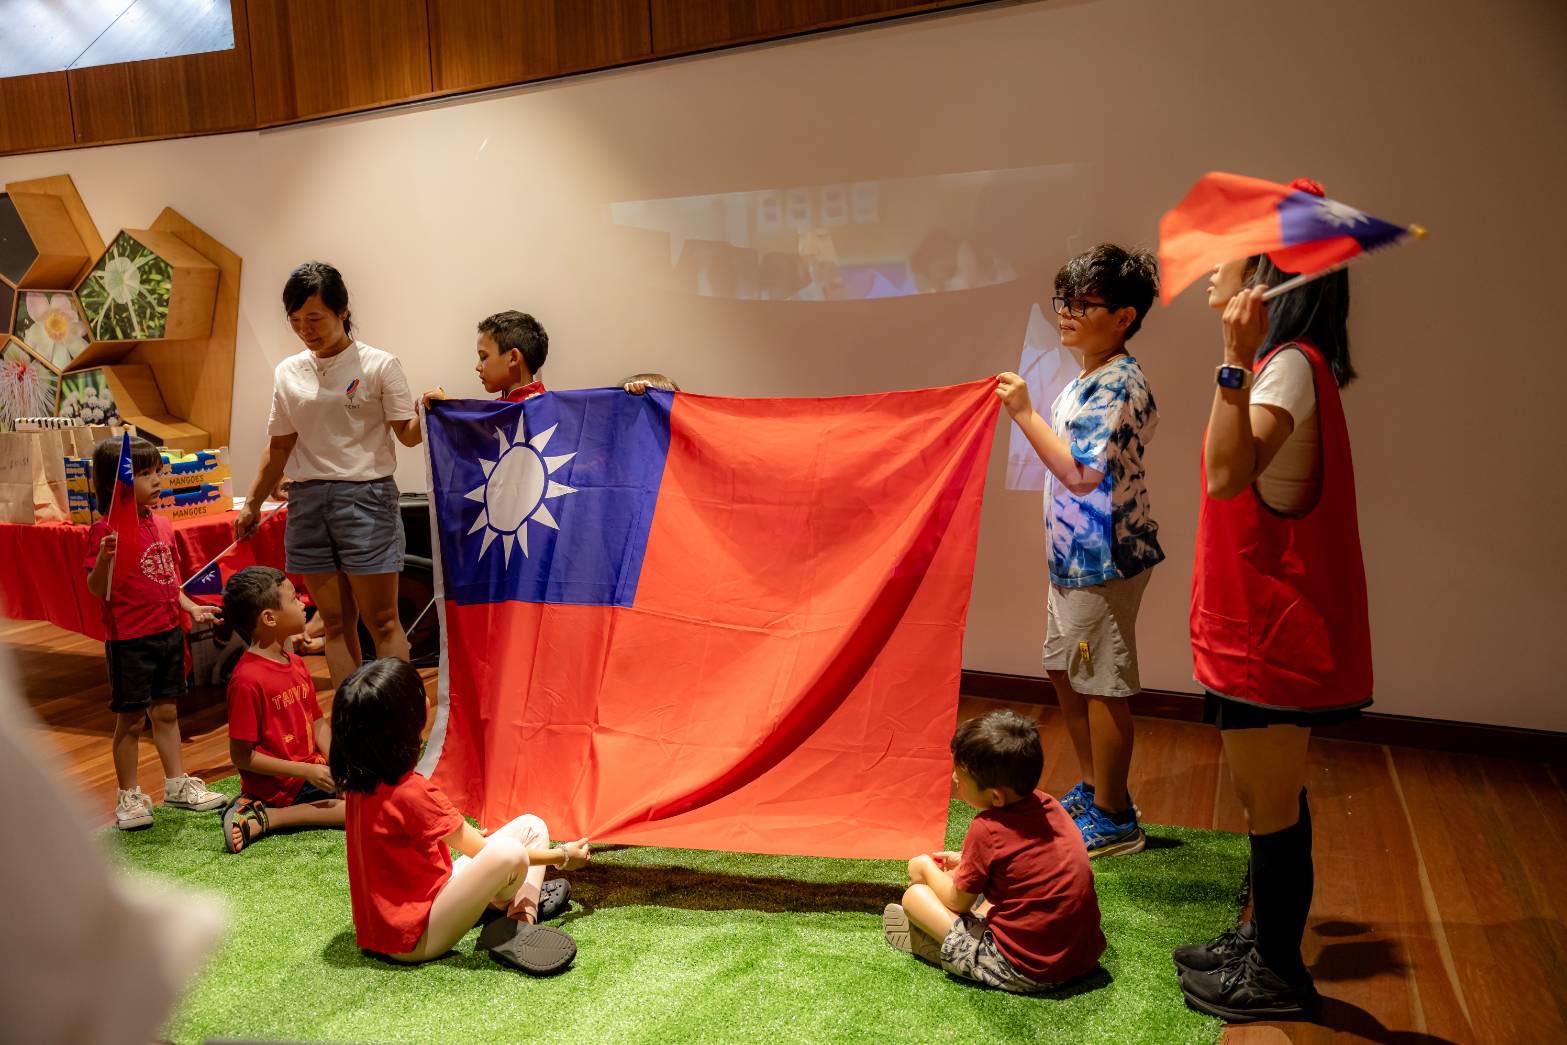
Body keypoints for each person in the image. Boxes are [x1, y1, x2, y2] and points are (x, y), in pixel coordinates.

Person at [1175, 180, 1373, 1023]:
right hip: (1253, 630)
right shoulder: (1281, 367)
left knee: (1270, 803)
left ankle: (1279, 973)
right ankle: (1259, 937)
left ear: (1266, 271)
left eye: (1227, 249)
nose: (1212, 267)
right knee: (1266, 798)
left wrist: (1229, 358)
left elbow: (1226, 476)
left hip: (1272, 638)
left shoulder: (1282, 368)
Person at [994, 243, 1164, 857]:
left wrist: (1023, 413)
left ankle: (1116, 816)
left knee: (1102, 681)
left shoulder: (1119, 384)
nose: (1066, 313)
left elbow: (1082, 474)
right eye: (1064, 301)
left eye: (1083, 303)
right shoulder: (1090, 377)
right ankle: (1097, 790)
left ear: (1124, 316)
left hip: (1104, 557)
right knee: (1067, 670)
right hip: (1073, 555)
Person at [331, 658, 590, 972]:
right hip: (416, 938)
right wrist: (561, 856)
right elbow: (489, 854)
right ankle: (521, 916)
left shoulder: (359, 782)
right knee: (510, 852)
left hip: (396, 924)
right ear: (411, 720)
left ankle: (513, 909)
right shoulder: (411, 791)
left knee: (531, 826)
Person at [236, 262, 418, 688]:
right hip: (307, 502)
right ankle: (354, 720)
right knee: (333, 625)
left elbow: (407, 435)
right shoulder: (288, 372)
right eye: (296, 321)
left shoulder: (378, 365)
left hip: (367, 499)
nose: (306, 330)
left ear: (342, 311)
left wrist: (431, 413)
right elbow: (279, 444)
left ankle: (401, 715)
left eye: (315, 318)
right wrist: (252, 502)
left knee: (383, 620)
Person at [882, 710, 1104, 992]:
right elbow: (1025, 863)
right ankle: (956, 937)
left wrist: (924, 866)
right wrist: (966, 861)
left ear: (995, 796)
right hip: (1083, 958)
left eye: (960, 776)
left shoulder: (986, 828)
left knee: (915, 897)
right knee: (971, 889)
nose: (953, 778)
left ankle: (943, 949)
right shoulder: (1050, 806)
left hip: (1029, 971)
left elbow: (957, 902)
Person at [83, 436, 226, 829]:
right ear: (118, 484)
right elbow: (97, 590)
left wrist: (192, 606)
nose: (157, 480)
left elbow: (170, 580)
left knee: (166, 712)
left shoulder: (163, 524)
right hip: (130, 639)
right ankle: (128, 795)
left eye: (157, 471)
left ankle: (176, 784)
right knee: (130, 719)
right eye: (144, 474)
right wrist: (105, 560)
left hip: (167, 633)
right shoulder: (104, 531)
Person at [219, 566, 345, 853]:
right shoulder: (247, 681)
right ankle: (271, 817)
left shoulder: (297, 663)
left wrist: (341, 764)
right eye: (294, 598)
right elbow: (242, 755)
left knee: (370, 785)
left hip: (311, 770)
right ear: (269, 618)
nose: (303, 602)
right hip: (282, 786)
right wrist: (304, 770)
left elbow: (318, 724)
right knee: (358, 810)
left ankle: (260, 810)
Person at [422, 310, 549, 407]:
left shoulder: (543, 410)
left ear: (513, 358)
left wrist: (450, 406)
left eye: (484, 357)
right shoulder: (500, 408)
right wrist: (445, 406)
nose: (477, 367)